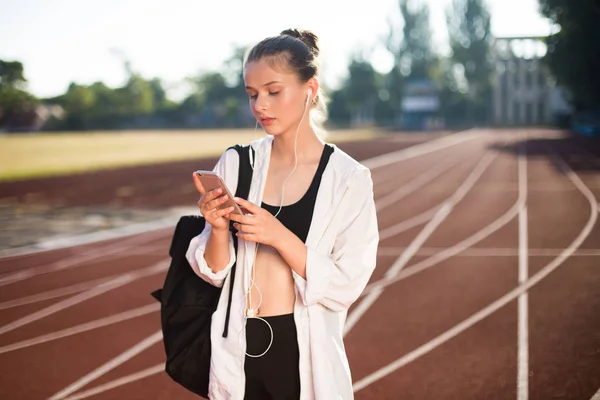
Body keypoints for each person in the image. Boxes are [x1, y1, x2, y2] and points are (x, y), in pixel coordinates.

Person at [186, 28, 379, 400]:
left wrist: (278, 236)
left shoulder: (349, 179)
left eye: (274, 92)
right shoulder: (236, 163)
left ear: (310, 89)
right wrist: (218, 230)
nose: (260, 105)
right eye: (253, 94)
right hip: (236, 348)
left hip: (304, 351)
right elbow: (213, 273)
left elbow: (348, 282)